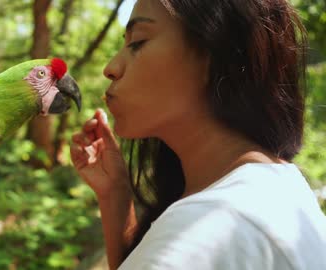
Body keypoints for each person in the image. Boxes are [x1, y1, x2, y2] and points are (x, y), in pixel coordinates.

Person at [70, 0, 326, 269]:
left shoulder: (213, 223)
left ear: (214, 54)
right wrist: (116, 198)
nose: (110, 68)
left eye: (138, 42)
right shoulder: (273, 186)